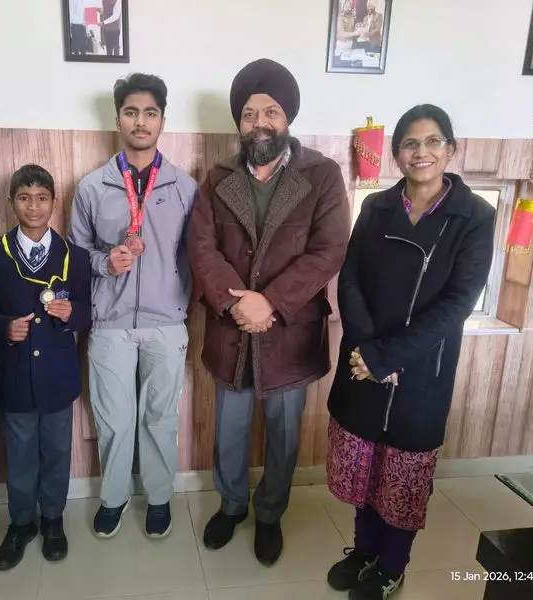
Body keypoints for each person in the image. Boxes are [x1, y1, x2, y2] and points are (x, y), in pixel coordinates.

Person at [325, 105, 495, 600]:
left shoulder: (474, 217)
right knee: (365, 467)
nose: (422, 152)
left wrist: (392, 357)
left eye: (433, 141)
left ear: (451, 149)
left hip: (422, 369)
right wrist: (369, 351)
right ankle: (363, 551)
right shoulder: (376, 207)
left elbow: (458, 302)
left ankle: (391, 565)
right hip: (364, 361)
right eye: (410, 144)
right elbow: (350, 279)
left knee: (402, 475)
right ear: (397, 153)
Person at [188, 58, 351, 566]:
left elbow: (330, 250)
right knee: (230, 430)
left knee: (283, 434)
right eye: (249, 113)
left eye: (271, 111)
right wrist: (240, 303)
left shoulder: (323, 175)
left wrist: (271, 301)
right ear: (239, 122)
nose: (260, 122)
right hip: (232, 328)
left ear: (288, 118)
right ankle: (231, 505)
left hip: (290, 330)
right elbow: (201, 248)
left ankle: (270, 514)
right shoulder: (217, 178)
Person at [69, 73, 197, 539]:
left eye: (150, 112)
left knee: (161, 418)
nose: (140, 121)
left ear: (162, 120)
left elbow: (197, 255)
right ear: (118, 118)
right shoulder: (92, 187)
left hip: (167, 321)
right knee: (114, 420)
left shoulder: (185, 188)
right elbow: (76, 255)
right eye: (131, 112)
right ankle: (114, 497)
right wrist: (106, 263)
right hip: (110, 323)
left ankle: (159, 497)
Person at [0, 165, 91, 571]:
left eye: (42, 198)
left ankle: (53, 520)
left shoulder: (75, 257)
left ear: (53, 202)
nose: (33, 206)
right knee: (21, 454)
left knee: (58, 451)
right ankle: (21, 523)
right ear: (11, 202)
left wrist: (71, 313)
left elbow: (88, 311)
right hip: (15, 378)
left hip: (58, 378)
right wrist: (3, 328)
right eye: (24, 198)